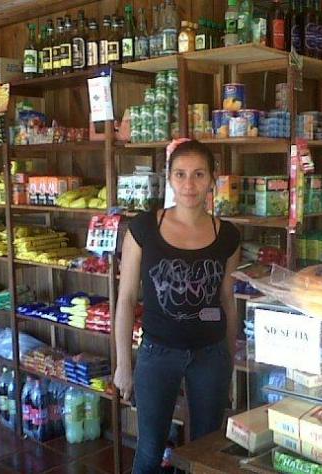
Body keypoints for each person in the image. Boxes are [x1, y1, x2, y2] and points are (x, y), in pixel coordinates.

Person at [114, 139, 241, 473]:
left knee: (205, 451)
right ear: (169, 178)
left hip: (211, 355)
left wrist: (229, 358)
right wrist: (123, 365)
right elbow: (125, 299)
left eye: (199, 174)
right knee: (149, 451)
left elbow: (226, 301)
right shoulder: (143, 229)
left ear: (212, 179)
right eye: (181, 174)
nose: (189, 184)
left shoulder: (228, 236)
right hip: (157, 352)